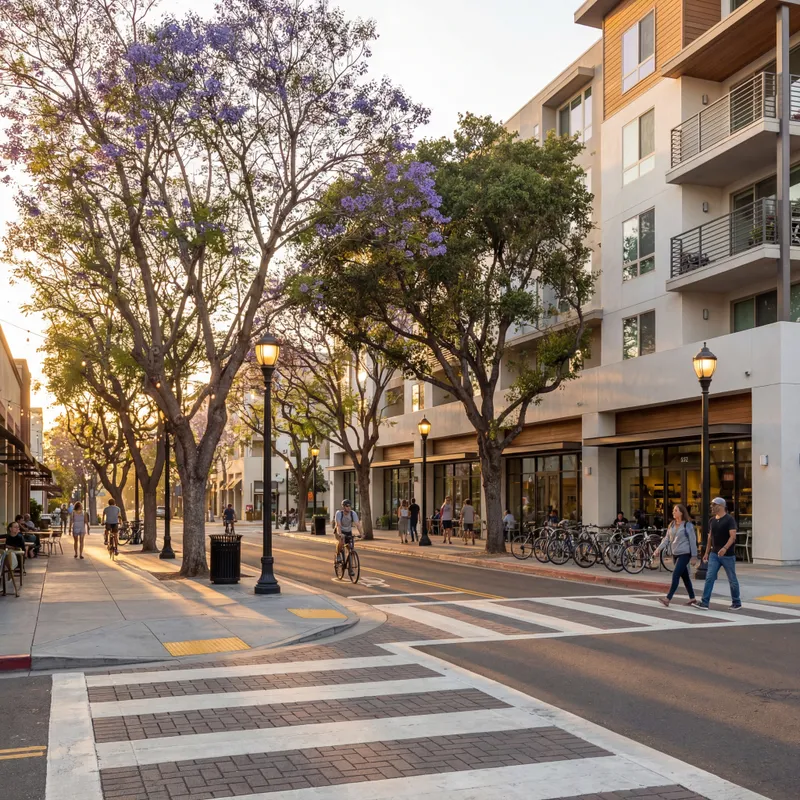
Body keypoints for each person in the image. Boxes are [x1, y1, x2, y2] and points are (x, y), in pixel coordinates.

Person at [696, 498, 741, 611]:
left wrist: (725, 548)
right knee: (709, 577)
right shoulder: (712, 520)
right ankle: (705, 602)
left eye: (714, 505)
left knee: (732, 579)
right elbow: (710, 537)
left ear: (721, 506)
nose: (711, 507)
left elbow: (733, 536)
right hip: (714, 554)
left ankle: (736, 602)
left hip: (728, 555)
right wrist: (706, 552)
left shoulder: (729, 519)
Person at [654, 504, 698, 607]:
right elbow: (666, 539)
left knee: (676, 575)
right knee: (685, 577)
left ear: (681, 512)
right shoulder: (672, 525)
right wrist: (658, 549)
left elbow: (692, 541)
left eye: (676, 510)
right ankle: (692, 598)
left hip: (685, 554)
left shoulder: (688, 525)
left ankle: (668, 598)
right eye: (673, 510)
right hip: (675, 554)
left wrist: (694, 556)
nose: (673, 512)